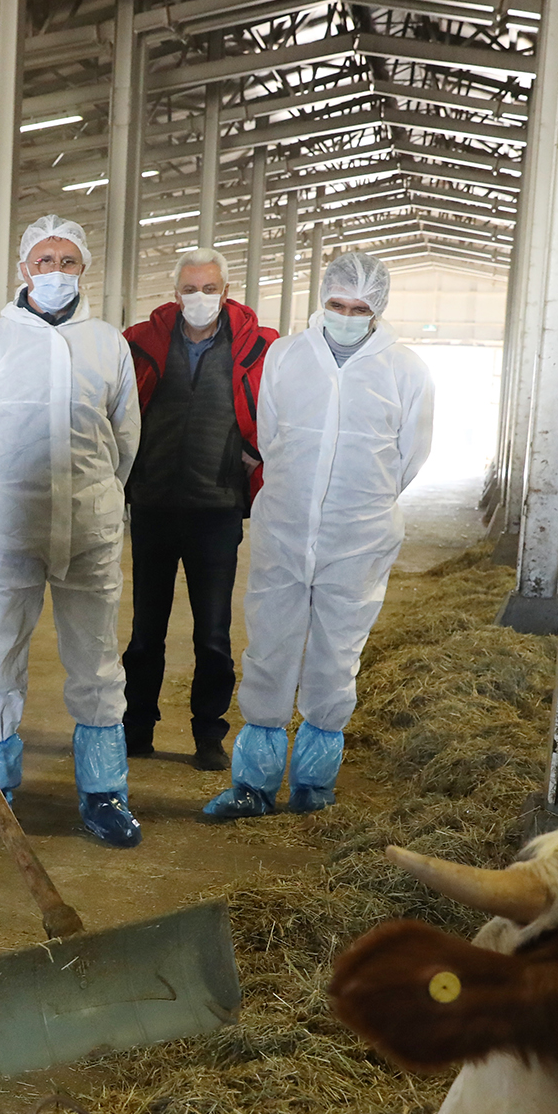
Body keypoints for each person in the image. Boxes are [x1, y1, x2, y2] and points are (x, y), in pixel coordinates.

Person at [205, 250, 433, 820]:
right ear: (322, 299)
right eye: (338, 304)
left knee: (337, 655)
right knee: (269, 647)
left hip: (359, 535)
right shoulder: (287, 356)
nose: (347, 316)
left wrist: (359, 502)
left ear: (378, 310)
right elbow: (271, 436)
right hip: (285, 525)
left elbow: (410, 456)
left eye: (360, 308)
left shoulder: (405, 370)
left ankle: (313, 784)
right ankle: (253, 784)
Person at [0, 215, 142, 847]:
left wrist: (99, 496)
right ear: (24, 268)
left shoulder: (107, 343)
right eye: (45, 261)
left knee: (97, 660)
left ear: (84, 269)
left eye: (68, 261)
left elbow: (125, 439)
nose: (56, 272)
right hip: (10, 527)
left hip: (89, 527)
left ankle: (104, 792)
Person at [120, 247, 276, 772]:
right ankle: (137, 727)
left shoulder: (256, 347)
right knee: (146, 630)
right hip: (154, 505)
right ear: (175, 292)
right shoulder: (141, 343)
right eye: (190, 289)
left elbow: (279, 412)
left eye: (210, 289)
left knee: (212, 633)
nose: (200, 298)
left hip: (217, 508)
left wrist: (255, 459)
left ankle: (209, 734)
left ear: (226, 292)